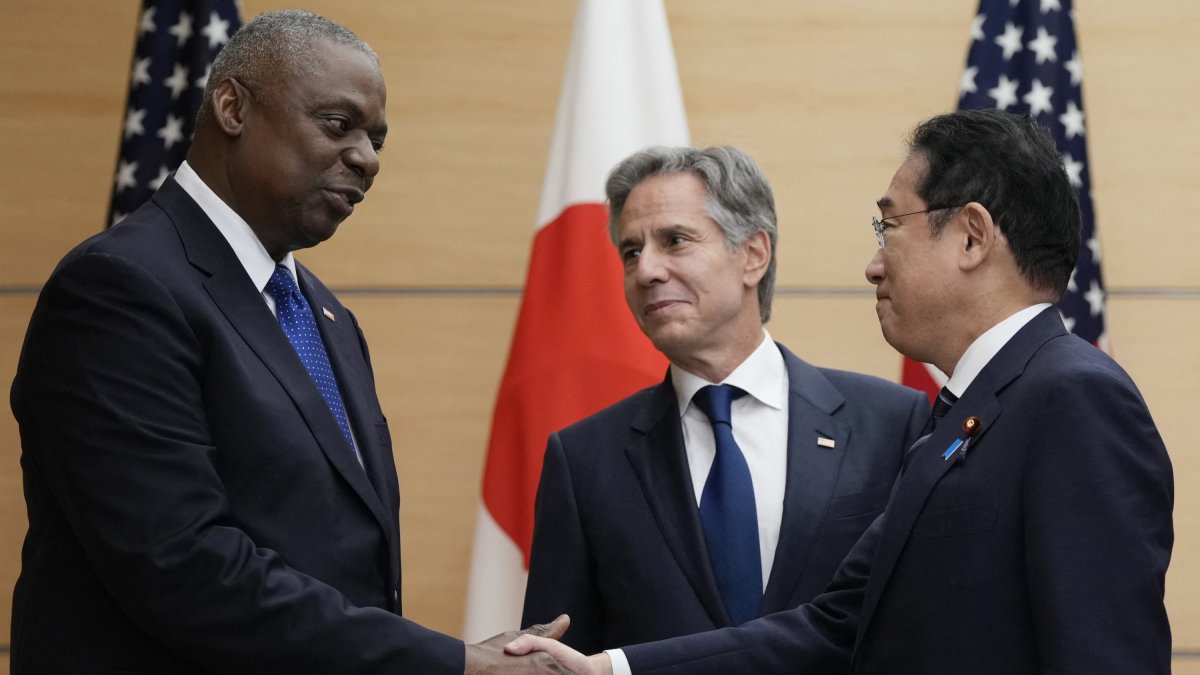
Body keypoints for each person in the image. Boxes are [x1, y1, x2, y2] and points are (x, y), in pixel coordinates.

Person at [508, 109, 1174, 674]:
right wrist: (614, 667)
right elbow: (836, 620)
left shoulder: (1072, 397)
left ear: (972, 236)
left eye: (891, 227)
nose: (874, 262)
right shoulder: (965, 415)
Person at [9, 10, 566, 674]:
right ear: (232, 107)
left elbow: (338, 562)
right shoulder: (120, 290)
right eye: (338, 124)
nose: (367, 158)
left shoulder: (324, 313)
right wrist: (454, 663)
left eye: (377, 138)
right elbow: (182, 566)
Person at [521, 145, 928, 653]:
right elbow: (556, 656)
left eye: (674, 241)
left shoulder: (892, 423)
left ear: (753, 254)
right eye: (631, 251)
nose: (645, 270)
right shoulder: (583, 460)